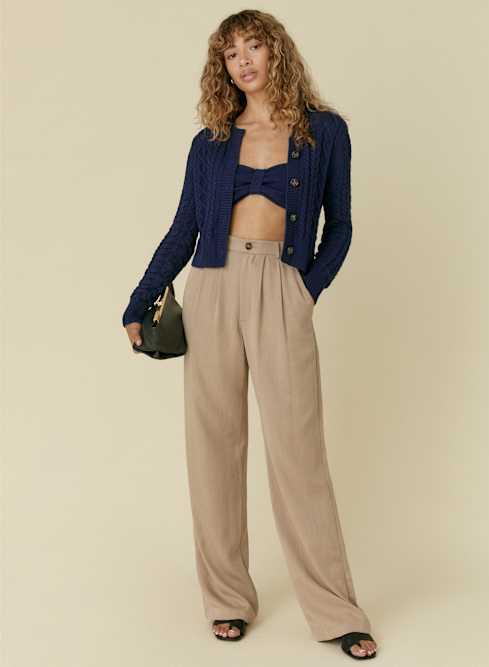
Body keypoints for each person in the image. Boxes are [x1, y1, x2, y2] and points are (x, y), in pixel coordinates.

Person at [122, 9, 378, 660]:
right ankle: (228, 599)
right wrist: (140, 299)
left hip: (281, 287)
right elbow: (184, 229)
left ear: (276, 52)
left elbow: (341, 225)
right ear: (223, 68)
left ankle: (335, 609)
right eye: (230, 52)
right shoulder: (209, 142)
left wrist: (306, 289)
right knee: (213, 446)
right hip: (212, 286)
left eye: (253, 46)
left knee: (298, 452)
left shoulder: (324, 131)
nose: (243, 60)